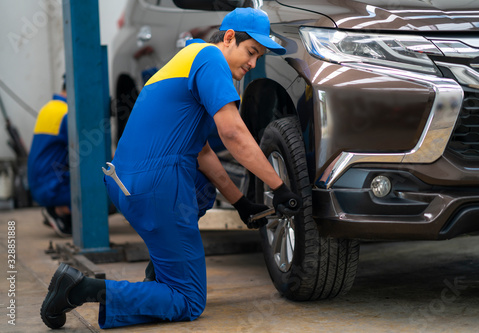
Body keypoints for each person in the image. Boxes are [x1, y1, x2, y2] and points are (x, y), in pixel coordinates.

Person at [40, 8, 302, 329]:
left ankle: (162, 272)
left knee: (203, 188)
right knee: (188, 300)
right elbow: (232, 133)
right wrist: (279, 187)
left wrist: (241, 203)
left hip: (127, 181)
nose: (252, 63)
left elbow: (202, 152)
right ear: (229, 37)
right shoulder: (212, 59)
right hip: (157, 185)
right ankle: (80, 288)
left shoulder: (188, 57)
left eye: (259, 56)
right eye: (251, 52)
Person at [28, 77, 72, 237]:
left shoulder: (48, 108)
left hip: (39, 185)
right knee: (103, 190)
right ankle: (61, 209)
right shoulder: (67, 114)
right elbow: (90, 155)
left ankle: (58, 208)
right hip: (53, 187)